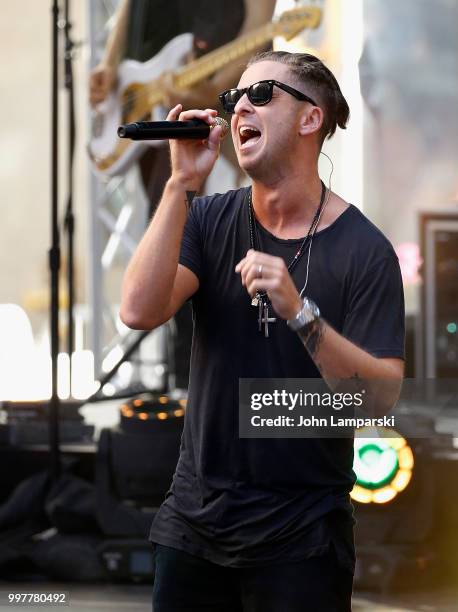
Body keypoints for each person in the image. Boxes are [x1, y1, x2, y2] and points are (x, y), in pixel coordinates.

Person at [120, 51, 405, 611]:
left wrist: (302, 312)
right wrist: (180, 184)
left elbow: (379, 400)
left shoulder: (365, 251)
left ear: (310, 119)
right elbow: (137, 310)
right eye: (234, 99)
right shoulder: (207, 219)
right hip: (194, 527)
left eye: (262, 93)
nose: (239, 105)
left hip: (301, 538)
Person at [90, 0, 275, 388]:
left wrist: (216, 88)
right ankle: (179, 376)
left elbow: (255, 39)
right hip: (152, 97)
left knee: (206, 243)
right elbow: (130, 10)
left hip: (212, 107)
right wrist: (109, 65)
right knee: (167, 229)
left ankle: (201, 379)